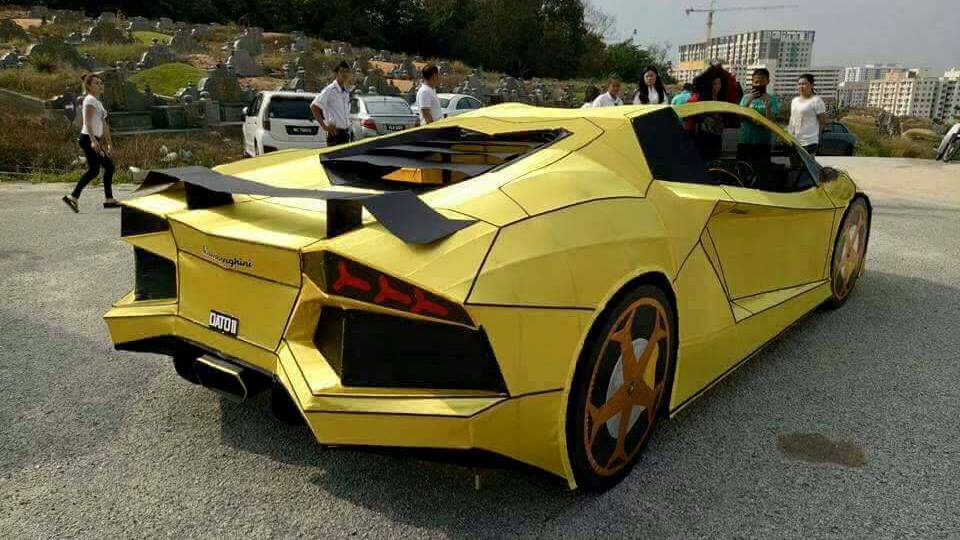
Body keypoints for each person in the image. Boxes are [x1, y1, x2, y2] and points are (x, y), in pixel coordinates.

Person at [62, 73, 118, 212]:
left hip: (92, 139)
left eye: (100, 83)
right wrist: (93, 140)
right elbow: (87, 122)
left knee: (98, 169)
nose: (100, 85)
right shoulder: (89, 100)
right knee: (106, 167)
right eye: (96, 83)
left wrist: (109, 144)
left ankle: (74, 197)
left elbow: (104, 125)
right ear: (88, 86)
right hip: (87, 139)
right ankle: (107, 199)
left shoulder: (98, 103)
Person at [738, 68, 779, 160]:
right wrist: (749, 100)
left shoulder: (772, 99)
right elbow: (739, 117)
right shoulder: (746, 98)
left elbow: (771, 123)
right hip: (745, 141)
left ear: (768, 81)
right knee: (743, 167)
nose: (759, 84)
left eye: (762, 82)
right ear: (752, 82)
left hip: (763, 142)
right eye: (756, 82)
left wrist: (768, 108)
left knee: (762, 167)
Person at [310, 61, 352, 147]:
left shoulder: (346, 91)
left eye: (346, 71)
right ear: (336, 74)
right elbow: (314, 106)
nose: (344, 74)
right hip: (335, 134)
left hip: (345, 134)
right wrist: (324, 126)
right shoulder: (330, 89)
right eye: (342, 71)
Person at [788, 73, 827, 155]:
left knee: (805, 163)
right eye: (799, 84)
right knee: (794, 162)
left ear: (812, 85)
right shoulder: (794, 101)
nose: (801, 86)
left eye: (804, 84)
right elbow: (792, 120)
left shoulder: (817, 101)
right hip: (794, 140)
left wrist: (815, 136)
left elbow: (822, 122)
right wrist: (789, 134)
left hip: (809, 142)